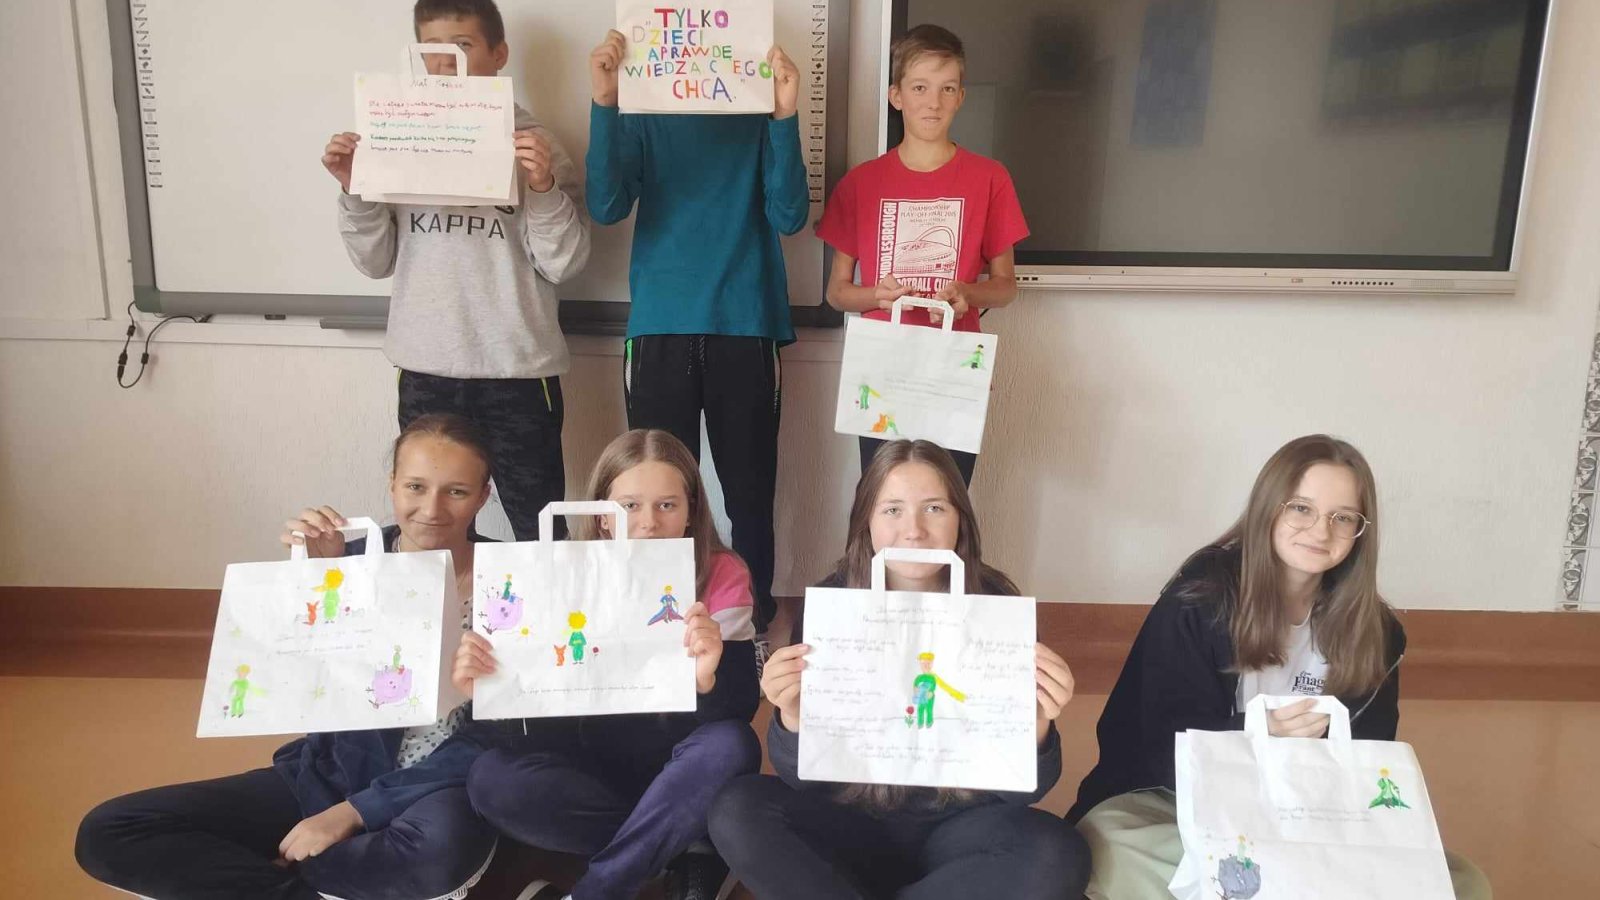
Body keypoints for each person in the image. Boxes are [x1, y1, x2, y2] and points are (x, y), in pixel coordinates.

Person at [76, 414, 502, 900]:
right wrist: (315, 579)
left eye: (456, 491)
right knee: (109, 831)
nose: (431, 509)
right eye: (415, 487)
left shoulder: (511, 580)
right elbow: (297, 685)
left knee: (434, 853)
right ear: (392, 485)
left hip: (437, 786)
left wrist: (351, 814)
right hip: (330, 773)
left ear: (483, 496)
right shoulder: (344, 562)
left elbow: (501, 740)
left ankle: (296, 869)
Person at [1069, 434, 1492, 900]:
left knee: (1465, 882)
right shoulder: (1200, 599)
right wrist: (1254, 737)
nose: (1321, 531)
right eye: (1301, 509)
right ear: (1269, 509)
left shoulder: (1378, 632)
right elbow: (1150, 748)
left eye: (1342, 517)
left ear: (1360, 531)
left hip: (1309, 819)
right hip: (1177, 803)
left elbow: (1367, 761)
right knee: (1107, 842)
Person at [708, 439, 1090, 899]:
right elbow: (801, 778)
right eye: (892, 510)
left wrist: (1038, 726)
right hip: (850, 821)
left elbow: (1023, 793)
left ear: (960, 520)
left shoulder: (997, 607)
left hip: (961, 827)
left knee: (1058, 852)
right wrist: (791, 715)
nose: (914, 530)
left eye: (934, 508)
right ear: (865, 522)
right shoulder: (834, 607)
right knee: (737, 809)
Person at [323, 0, 590, 541]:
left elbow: (563, 262)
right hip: (427, 368)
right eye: (432, 50)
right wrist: (355, 189)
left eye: (463, 46)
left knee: (539, 529)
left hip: (518, 370)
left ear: (499, 53)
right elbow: (375, 261)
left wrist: (542, 189)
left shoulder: (536, 145)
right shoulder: (393, 135)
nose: (446, 64)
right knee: (430, 526)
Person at [455, 429, 761, 900]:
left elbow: (737, 713)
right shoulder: (557, 575)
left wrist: (706, 679)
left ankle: (600, 887)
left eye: (667, 505)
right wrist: (496, 696)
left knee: (731, 746)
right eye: (628, 506)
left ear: (691, 511)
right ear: (600, 516)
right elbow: (537, 739)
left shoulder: (722, 573)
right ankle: (675, 842)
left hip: (682, 767)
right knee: (490, 780)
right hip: (596, 778)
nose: (648, 523)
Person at [585, 27, 808, 634]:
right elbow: (605, 205)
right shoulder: (642, 100)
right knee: (654, 492)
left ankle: (751, 622)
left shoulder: (756, 103)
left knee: (749, 495)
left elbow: (790, 214)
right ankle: (658, 621)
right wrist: (605, 101)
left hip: (745, 324)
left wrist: (785, 114)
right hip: (660, 327)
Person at [816, 25, 1029, 486]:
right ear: (896, 96)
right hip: (882, 372)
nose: (933, 102)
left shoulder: (989, 178)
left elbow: (1006, 285)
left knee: (947, 502)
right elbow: (837, 292)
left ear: (961, 97)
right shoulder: (861, 183)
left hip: (954, 368)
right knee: (884, 503)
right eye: (919, 88)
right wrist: (877, 296)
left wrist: (968, 292)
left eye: (946, 88)